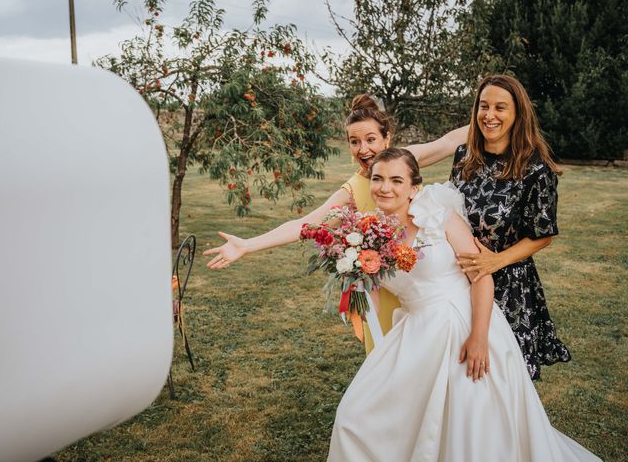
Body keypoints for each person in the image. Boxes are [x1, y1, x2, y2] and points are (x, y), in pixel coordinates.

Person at [328, 147, 599, 461]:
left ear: (413, 187)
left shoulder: (437, 215)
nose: (384, 187)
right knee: (354, 415)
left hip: (464, 324)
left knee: (468, 420)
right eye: (377, 178)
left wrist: (479, 338)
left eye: (395, 180)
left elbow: (482, 278)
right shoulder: (366, 235)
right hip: (415, 331)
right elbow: (372, 295)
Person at [204, 95, 468, 354]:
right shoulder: (352, 190)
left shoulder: (404, 159)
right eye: (355, 142)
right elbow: (305, 224)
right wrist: (248, 245)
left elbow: (449, 142)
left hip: (427, 284)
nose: (363, 149)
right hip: (385, 293)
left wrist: (497, 118)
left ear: (386, 138)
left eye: (371, 139)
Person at [450, 74, 570, 380]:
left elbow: (543, 236)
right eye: (484, 106)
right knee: (460, 372)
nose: (489, 115)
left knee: (502, 375)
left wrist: (496, 261)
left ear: (517, 114)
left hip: (509, 285)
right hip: (461, 278)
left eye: (500, 108)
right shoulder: (464, 157)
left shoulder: (536, 168)